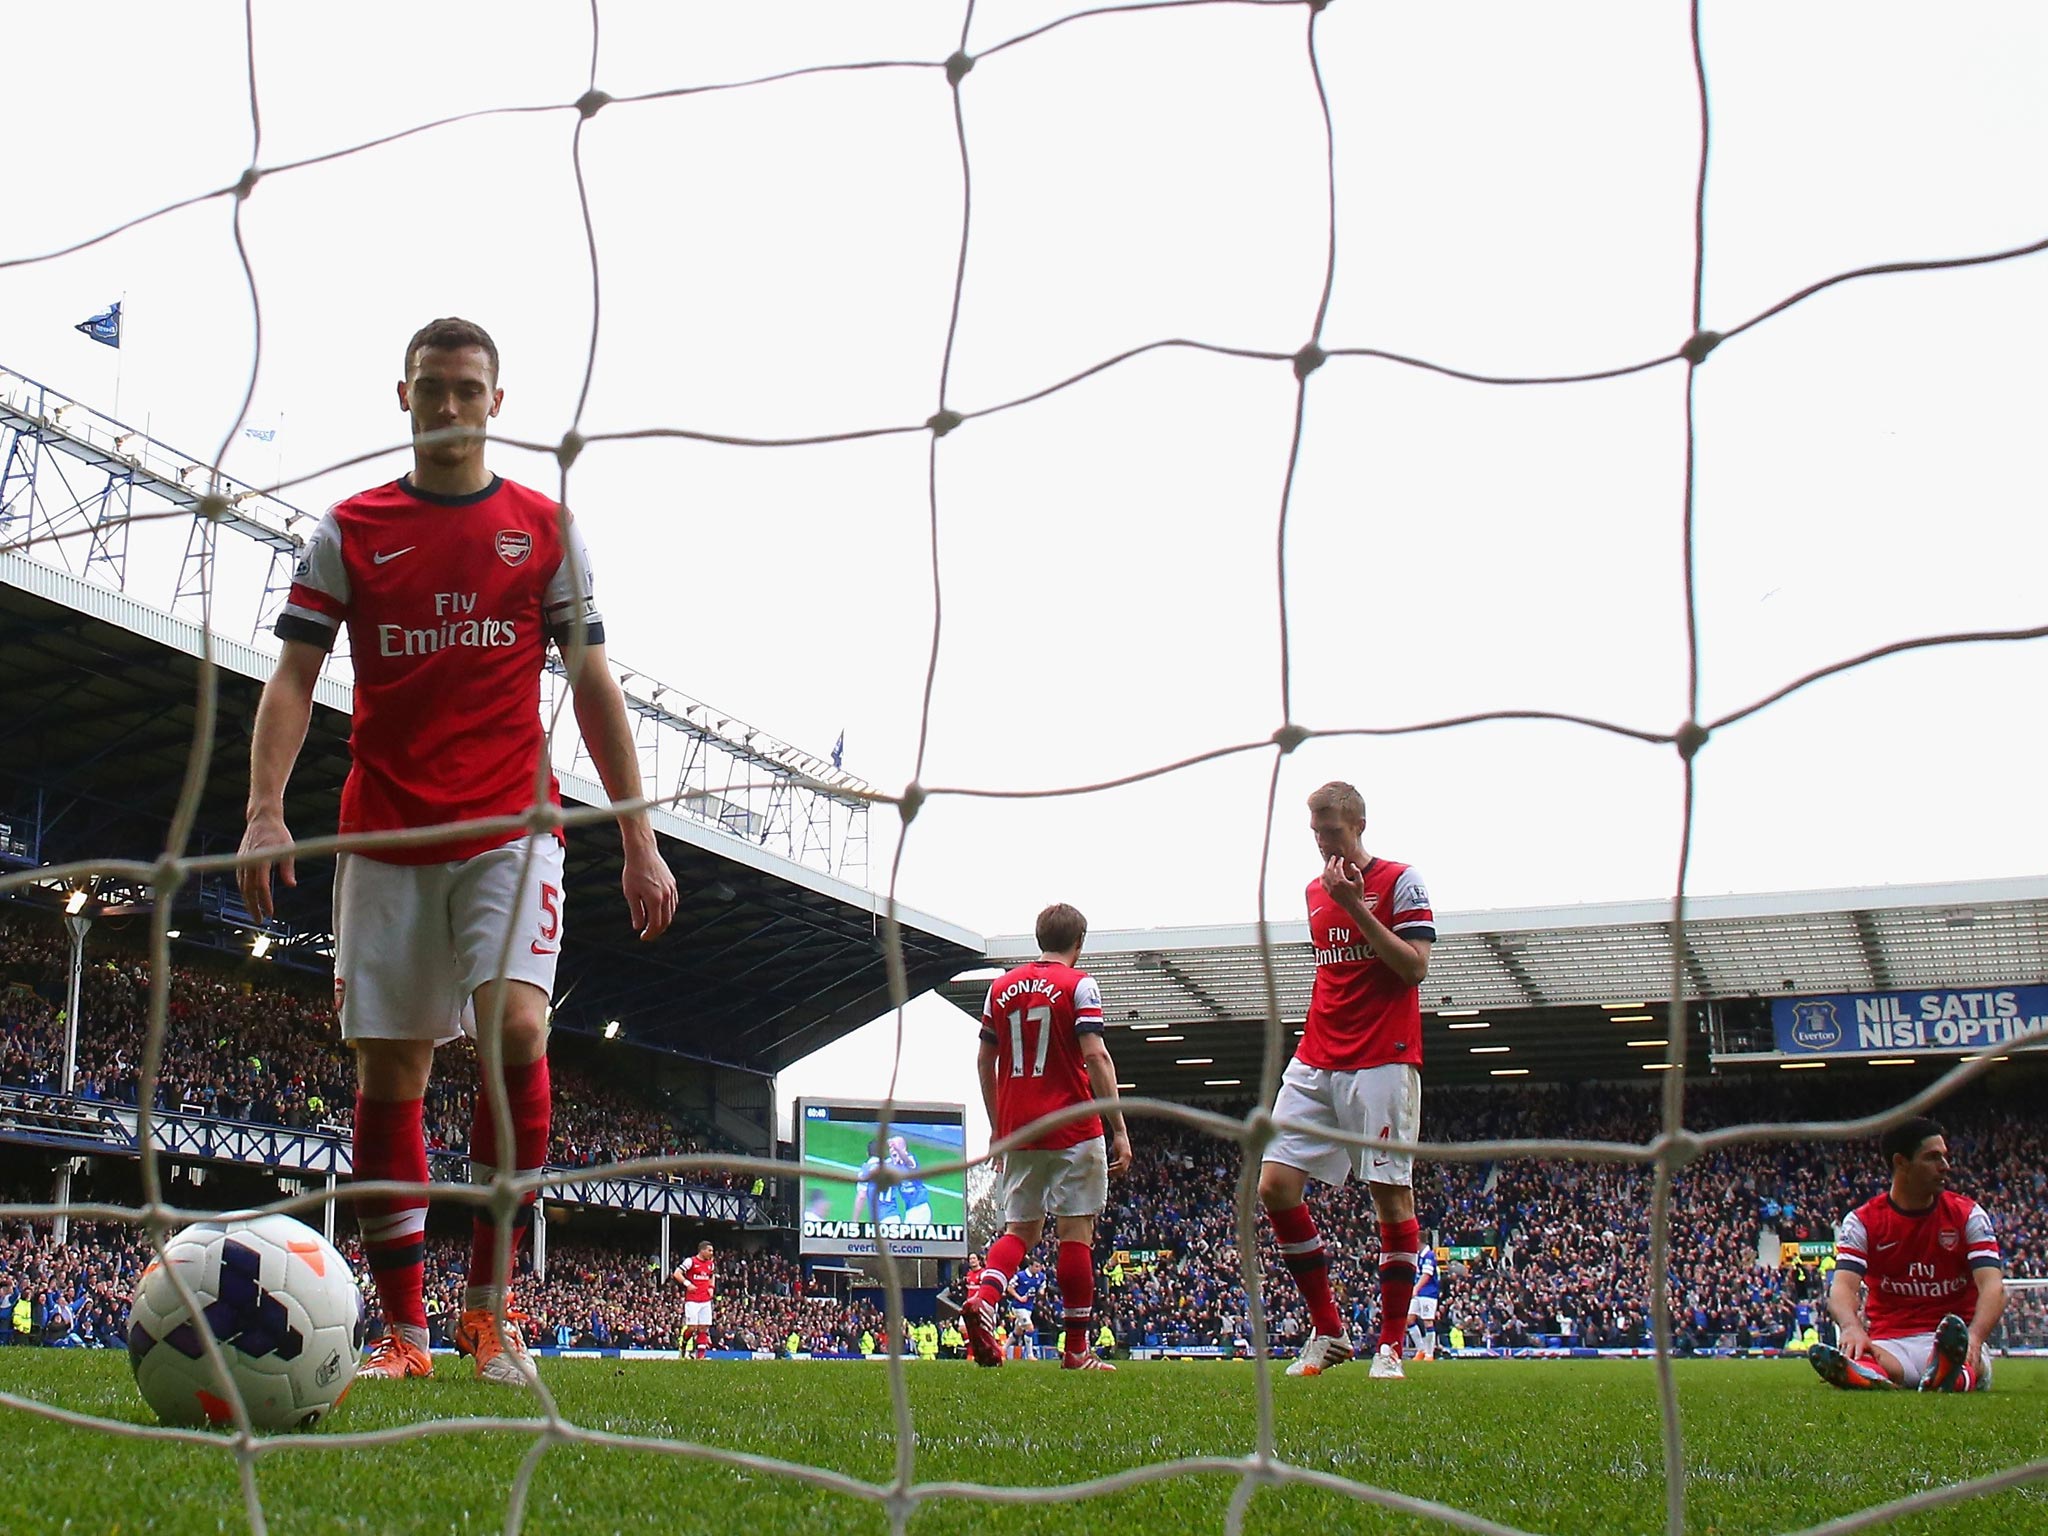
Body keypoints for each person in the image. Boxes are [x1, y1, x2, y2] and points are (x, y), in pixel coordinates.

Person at [240, 317, 678, 1387]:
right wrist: (263, 808)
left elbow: (591, 682)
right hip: (386, 829)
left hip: (511, 826)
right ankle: (404, 1331)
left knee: (515, 1030)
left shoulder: (544, 527)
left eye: (466, 391)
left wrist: (635, 835)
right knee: (392, 1069)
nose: (448, 408)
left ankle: (491, 1314)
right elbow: (295, 677)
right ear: (403, 396)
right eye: (430, 390)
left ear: (496, 402)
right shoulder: (350, 528)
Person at [1259, 781, 1434, 1380]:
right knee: (1274, 1187)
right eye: (1314, 829)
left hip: (1383, 1057)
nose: (1321, 839)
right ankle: (1329, 1330)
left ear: (1358, 822)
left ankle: (1389, 1346)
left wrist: (1358, 906)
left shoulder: (1401, 881)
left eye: (1330, 828)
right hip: (1317, 1057)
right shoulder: (1313, 890)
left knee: (1389, 1194)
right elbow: (1334, 974)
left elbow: (1413, 969)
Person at [965, 903, 1131, 1372]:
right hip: (1073, 1126)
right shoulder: (1080, 985)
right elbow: (1095, 1056)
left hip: (1020, 1128)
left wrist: (998, 1126)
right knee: (1075, 1231)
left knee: (1020, 1230)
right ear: (1079, 943)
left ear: (1038, 938)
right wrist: (1118, 1129)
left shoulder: (1000, 987)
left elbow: (984, 1060)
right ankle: (1076, 1350)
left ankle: (986, 1295)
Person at [1810, 1116, 2005, 1392]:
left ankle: (1950, 1372)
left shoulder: (1968, 1215)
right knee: (1869, 1357)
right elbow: (1842, 1287)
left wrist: (1974, 1337)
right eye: (1932, 1158)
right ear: (1901, 1162)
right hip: (1890, 1344)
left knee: (1967, 1362)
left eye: (1945, 1157)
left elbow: (1994, 1287)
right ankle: (1870, 1372)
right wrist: (1852, 1327)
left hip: (1953, 1339)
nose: (1945, 1167)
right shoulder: (1863, 1222)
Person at [852, 1135, 933, 1229]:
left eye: (895, 1147)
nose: (892, 1150)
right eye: (891, 1148)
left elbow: (907, 1161)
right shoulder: (891, 1165)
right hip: (908, 1211)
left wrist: (898, 1150)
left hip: (919, 1208)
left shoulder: (910, 1159)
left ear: (903, 1148)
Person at [673, 1240, 716, 1358]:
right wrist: (688, 1284)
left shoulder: (710, 1264)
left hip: (705, 1300)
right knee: (692, 1327)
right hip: (692, 1300)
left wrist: (711, 1287)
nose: (711, 1253)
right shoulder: (690, 1261)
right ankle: (684, 1344)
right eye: (709, 1250)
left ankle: (700, 1356)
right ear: (702, 1250)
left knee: (704, 1327)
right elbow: (677, 1273)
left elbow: (712, 1276)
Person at [1405, 1243, 1440, 1361]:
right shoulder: (1418, 1255)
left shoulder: (1429, 1255)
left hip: (1428, 1293)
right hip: (1418, 1293)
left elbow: (1427, 1275)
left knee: (1428, 1321)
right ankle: (1421, 1349)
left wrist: (1416, 1288)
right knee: (1409, 1319)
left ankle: (1429, 1354)